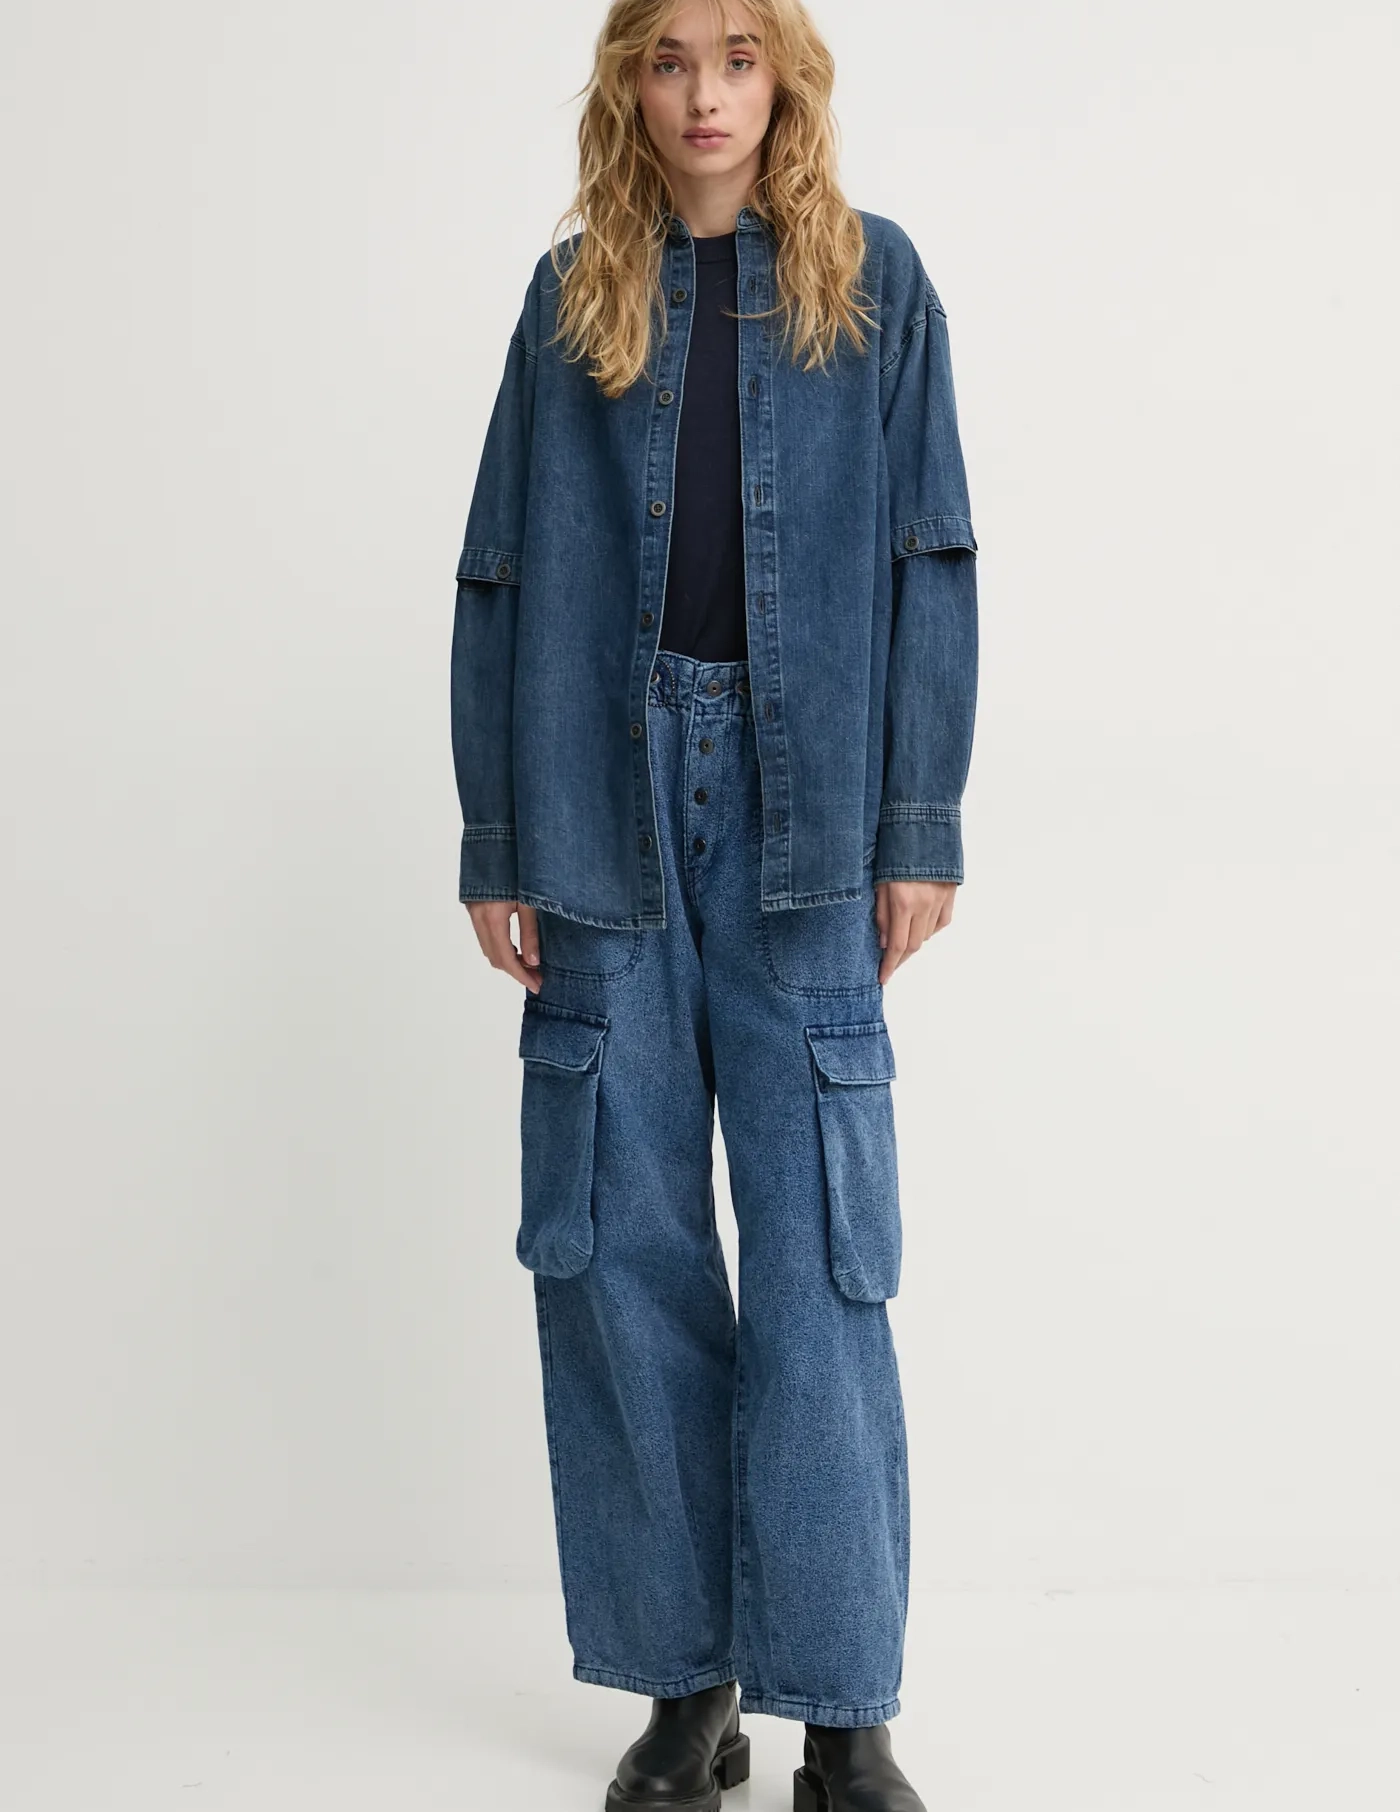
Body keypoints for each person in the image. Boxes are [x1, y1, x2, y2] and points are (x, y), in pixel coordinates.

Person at [449, 2, 978, 1806]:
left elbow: (930, 550)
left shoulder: (874, 283)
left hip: (809, 811)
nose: (703, 93)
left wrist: (919, 821)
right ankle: (687, 1692)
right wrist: (499, 840)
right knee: (624, 1248)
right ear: (630, 81)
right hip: (600, 802)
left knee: (824, 1257)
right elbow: (498, 570)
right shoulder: (570, 295)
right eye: (670, 58)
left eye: (738, 56)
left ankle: (845, 1714)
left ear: (784, 80)